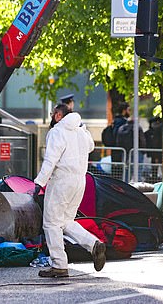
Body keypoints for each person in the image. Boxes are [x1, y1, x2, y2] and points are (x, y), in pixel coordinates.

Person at [33, 103, 106, 278]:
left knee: (51, 223)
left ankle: (59, 265)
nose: (52, 117)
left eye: (52, 114)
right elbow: (90, 147)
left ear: (58, 115)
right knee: (65, 221)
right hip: (79, 181)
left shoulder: (57, 131)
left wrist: (39, 182)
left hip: (62, 182)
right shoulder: (81, 131)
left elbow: (50, 160)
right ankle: (94, 244)